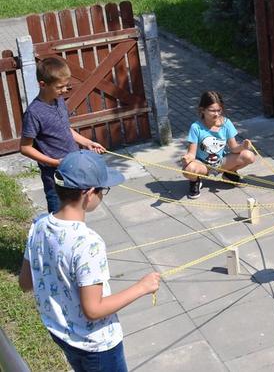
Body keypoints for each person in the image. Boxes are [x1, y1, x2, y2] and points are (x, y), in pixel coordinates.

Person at [18, 150, 161, 372]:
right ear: (90, 193)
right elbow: (93, 310)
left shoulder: (39, 224)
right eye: (104, 190)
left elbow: (26, 282)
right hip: (97, 346)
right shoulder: (88, 243)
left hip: (60, 333)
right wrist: (142, 287)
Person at [20, 56, 106, 213]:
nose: (64, 90)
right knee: (58, 214)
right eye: (60, 87)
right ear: (43, 84)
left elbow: (65, 128)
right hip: (55, 177)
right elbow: (25, 148)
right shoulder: (34, 113)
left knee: (76, 211)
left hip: (73, 170)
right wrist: (54, 162)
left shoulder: (58, 100)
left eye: (66, 86)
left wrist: (87, 142)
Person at [182, 91, 255, 199]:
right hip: (203, 165)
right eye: (212, 110)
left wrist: (243, 146)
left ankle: (229, 173)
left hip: (221, 163)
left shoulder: (226, 123)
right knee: (188, 170)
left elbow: (234, 148)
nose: (216, 114)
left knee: (249, 156)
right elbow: (191, 154)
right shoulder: (196, 127)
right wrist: (187, 159)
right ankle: (195, 181)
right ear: (202, 110)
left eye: (219, 110)